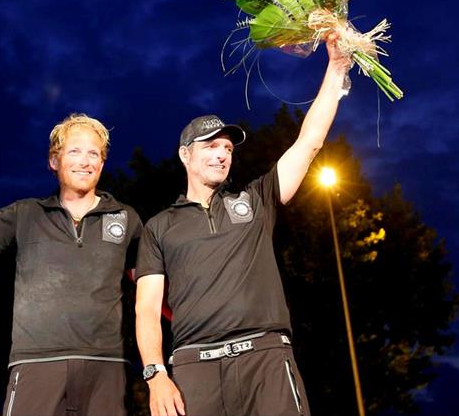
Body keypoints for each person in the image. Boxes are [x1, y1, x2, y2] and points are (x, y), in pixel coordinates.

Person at [135, 34, 352, 416]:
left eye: (228, 149)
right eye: (210, 147)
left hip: (265, 360)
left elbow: (309, 143)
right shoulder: (158, 227)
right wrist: (156, 375)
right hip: (194, 369)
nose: (221, 155)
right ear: (186, 155)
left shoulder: (255, 201)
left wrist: (336, 69)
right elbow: (147, 310)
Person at [0, 113, 142, 416]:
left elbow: (153, 291)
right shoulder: (26, 214)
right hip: (37, 364)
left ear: (102, 164)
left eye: (94, 153)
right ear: (54, 161)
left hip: (106, 366)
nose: (85, 161)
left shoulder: (126, 219)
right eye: (75, 151)